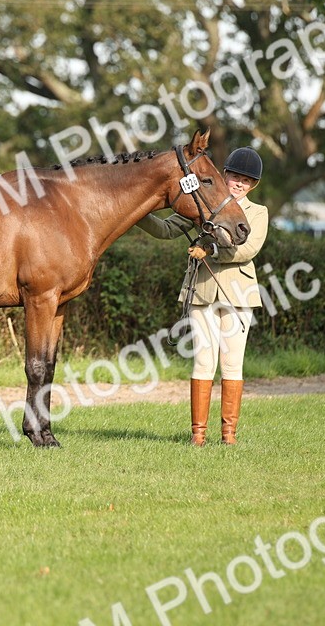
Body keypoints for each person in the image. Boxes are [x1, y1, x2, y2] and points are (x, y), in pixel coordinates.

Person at [135, 147, 269, 446]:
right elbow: (168, 229)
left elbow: (247, 250)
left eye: (244, 181)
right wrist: (138, 212)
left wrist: (210, 250)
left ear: (253, 186)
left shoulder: (258, 213)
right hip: (202, 290)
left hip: (239, 294)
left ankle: (229, 434)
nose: (237, 184)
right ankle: (198, 435)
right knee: (203, 361)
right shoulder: (203, 204)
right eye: (234, 177)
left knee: (232, 364)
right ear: (224, 175)